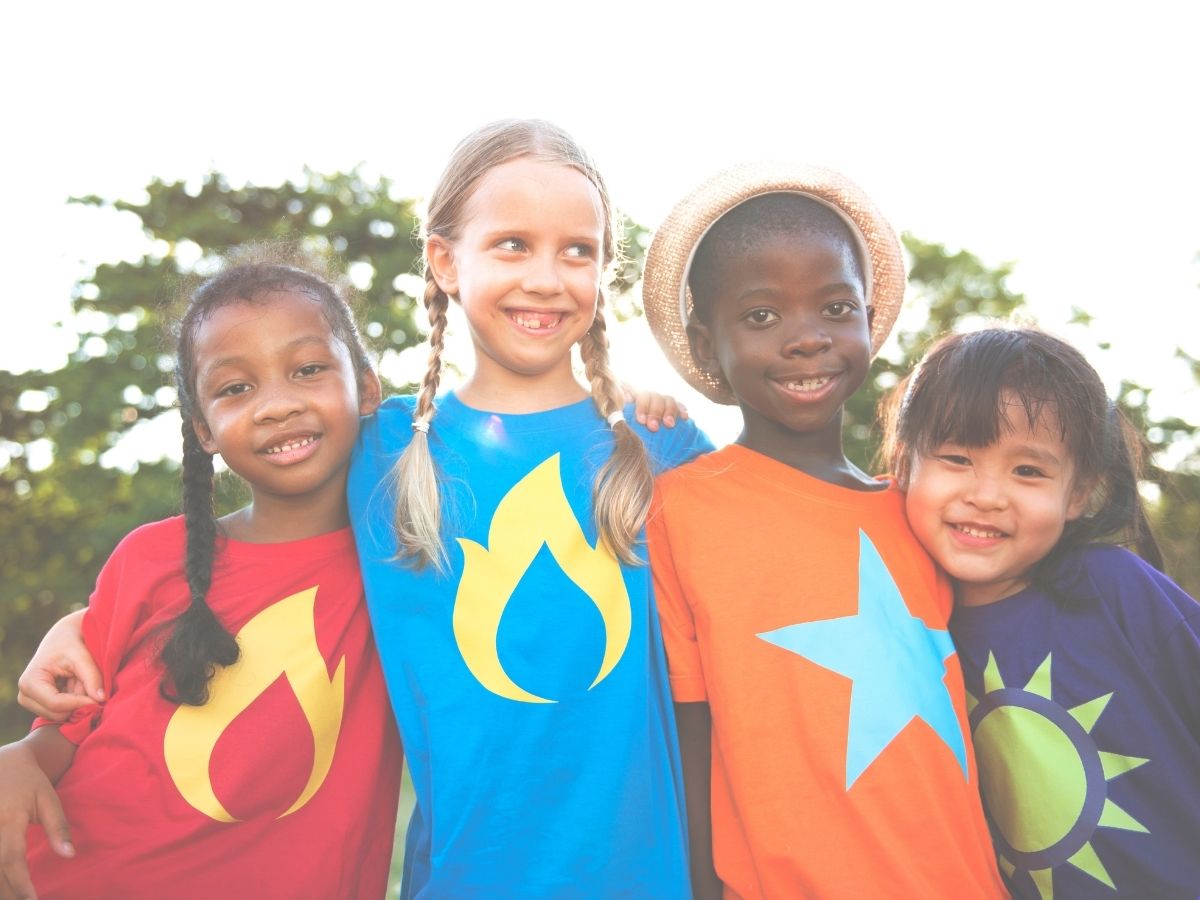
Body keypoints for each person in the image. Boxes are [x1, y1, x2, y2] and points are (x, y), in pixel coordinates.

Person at [16, 119, 709, 897]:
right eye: (512, 244)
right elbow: (253, 543)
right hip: (458, 879)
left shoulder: (659, 451)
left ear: (602, 267)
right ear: (446, 261)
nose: (545, 278)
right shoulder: (383, 451)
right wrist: (79, 628)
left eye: (576, 250)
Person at [640, 162, 1007, 898]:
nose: (807, 339)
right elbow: (691, 733)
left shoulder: (926, 514)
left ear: (870, 319)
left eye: (836, 308)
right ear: (707, 344)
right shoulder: (682, 510)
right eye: (763, 316)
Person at [0, 248, 403, 900]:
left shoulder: (406, 564)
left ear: (367, 386)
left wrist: (632, 404)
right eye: (235, 388)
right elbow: (67, 726)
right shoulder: (151, 557)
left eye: (307, 370)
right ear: (203, 430)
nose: (275, 405)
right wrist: (18, 760)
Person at [884, 325, 1200, 899]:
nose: (987, 494)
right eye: (957, 457)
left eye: (1027, 471)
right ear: (905, 463)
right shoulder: (901, 621)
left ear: (1079, 493)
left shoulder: (1115, 589)